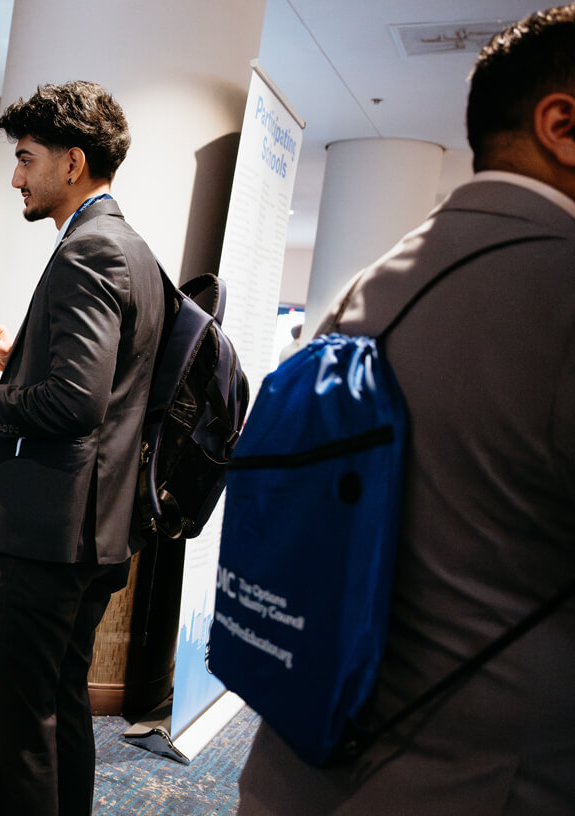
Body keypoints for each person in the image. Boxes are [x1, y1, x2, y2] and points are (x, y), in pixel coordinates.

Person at [238, 7, 575, 813]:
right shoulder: (559, 286)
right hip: (479, 782)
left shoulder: (371, 284)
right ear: (562, 124)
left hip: (298, 755)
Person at [0, 81, 164, 816]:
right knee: (61, 707)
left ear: (73, 163)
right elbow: (113, 385)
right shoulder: (133, 250)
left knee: (20, 726)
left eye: (26, 159)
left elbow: (76, 403)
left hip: (49, 536)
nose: (16, 177)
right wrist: (22, 359)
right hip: (93, 531)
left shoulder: (88, 250)